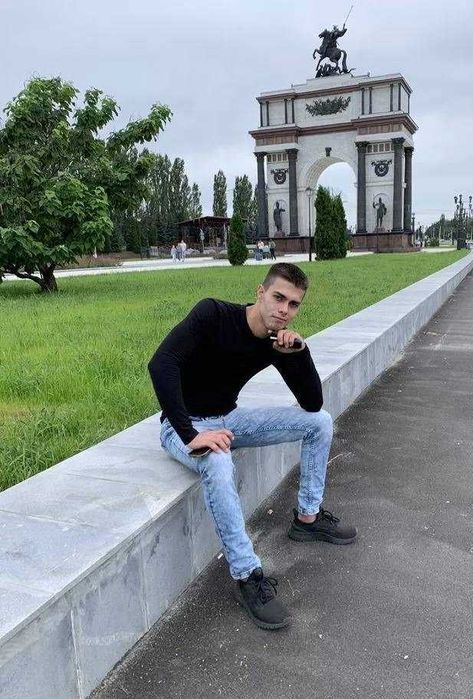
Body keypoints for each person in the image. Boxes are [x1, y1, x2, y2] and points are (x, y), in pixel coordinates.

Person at [148, 263, 357, 630]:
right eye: (278, 298)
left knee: (320, 423)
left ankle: (307, 519)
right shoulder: (213, 314)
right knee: (216, 460)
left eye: (293, 304)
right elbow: (161, 363)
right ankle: (247, 576)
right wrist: (190, 434)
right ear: (260, 293)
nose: (284, 309)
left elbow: (312, 403)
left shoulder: (276, 342)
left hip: (229, 418)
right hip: (182, 426)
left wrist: (298, 353)